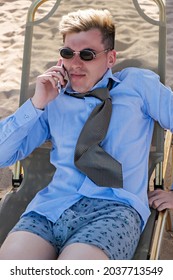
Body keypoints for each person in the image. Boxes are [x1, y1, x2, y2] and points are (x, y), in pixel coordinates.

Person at [0, 8, 173, 260]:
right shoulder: (53, 97)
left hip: (114, 210)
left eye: (88, 54)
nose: (76, 64)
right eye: (68, 53)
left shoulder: (138, 86)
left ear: (111, 58)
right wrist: (36, 105)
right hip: (51, 207)